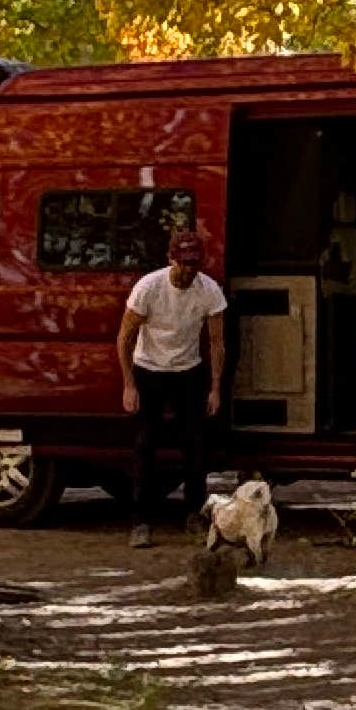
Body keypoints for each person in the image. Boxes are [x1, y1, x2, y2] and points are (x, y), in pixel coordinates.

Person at [117, 225, 226, 546]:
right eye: (183, 263)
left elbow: (217, 342)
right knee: (145, 445)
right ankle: (141, 521)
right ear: (171, 259)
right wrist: (129, 384)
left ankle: (193, 512)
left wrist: (214, 386)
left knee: (195, 445)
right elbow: (124, 337)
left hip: (188, 370)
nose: (189, 270)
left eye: (194, 263)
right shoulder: (148, 288)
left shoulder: (208, 290)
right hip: (149, 367)